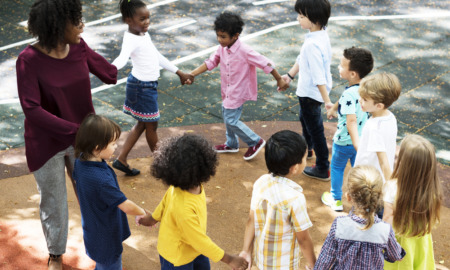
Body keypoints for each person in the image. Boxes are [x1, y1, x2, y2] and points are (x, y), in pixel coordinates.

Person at [16, 0, 118, 268]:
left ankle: (101, 246)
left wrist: (136, 52)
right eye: (76, 20)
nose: (81, 25)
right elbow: (32, 109)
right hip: (46, 143)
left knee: (93, 194)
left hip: (81, 142)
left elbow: (110, 74)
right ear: (58, 26)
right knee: (54, 201)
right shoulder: (28, 60)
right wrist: (78, 130)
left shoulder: (79, 47)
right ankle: (55, 254)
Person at [137, 134, 248, 270]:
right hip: (177, 258)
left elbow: (165, 203)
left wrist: (153, 218)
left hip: (194, 250)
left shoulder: (182, 186)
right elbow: (200, 241)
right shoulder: (184, 208)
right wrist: (229, 259)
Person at [189, 12, 289, 161]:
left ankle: (255, 141)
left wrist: (279, 79)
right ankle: (231, 143)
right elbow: (211, 62)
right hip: (227, 90)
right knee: (226, 114)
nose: (219, 40)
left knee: (231, 120)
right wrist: (192, 74)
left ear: (235, 36)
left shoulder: (245, 50)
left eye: (223, 37)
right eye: (218, 36)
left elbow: (266, 63)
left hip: (238, 91)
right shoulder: (221, 48)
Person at [111, 0, 193, 176]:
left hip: (145, 86)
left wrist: (179, 72)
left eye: (148, 18)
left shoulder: (142, 34)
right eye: (142, 19)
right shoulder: (131, 39)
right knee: (151, 126)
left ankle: (122, 159)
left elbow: (156, 55)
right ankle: (162, 164)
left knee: (142, 124)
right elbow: (122, 58)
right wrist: (108, 69)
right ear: (128, 20)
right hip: (142, 88)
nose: (146, 22)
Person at [72, 114, 146, 269]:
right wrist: (142, 212)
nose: (116, 147)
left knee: (102, 263)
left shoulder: (80, 161)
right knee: (111, 264)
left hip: (93, 227)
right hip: (106, 235)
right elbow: (125, 205)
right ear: (97, 148)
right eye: (113, 144)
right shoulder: (101, 181)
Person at [239, 130, 316, 270]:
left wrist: (246, 250)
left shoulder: (260, 183)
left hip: (262, 260)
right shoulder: (295, 198)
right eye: (305, 158)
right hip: (284, 265)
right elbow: (303, 239)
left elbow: (252, 219)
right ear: (294, 168)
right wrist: (315, 265)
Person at [314, 165, 405, 269]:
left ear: (348, 196)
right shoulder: (385, 230)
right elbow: (395, 255)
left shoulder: (339, 225)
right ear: (379, 197)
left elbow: (325, 259)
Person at [281, 0, 333, 181]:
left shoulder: (312, 45)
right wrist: (290, 74)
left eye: (302, 16)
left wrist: (326, 101)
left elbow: (319, 76)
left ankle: (322, 167)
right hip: (312, 92)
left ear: (315, 19)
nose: (298, 19)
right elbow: (302, 58)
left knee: (315, 128)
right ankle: (307, 148)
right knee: (306, 119)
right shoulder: (320, 34)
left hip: (310, 93)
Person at [321, 47, 374, 211]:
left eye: (342, 65)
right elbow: (345, 97)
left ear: (352, 74)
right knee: (358, 171)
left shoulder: (348, 95)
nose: (338, 67)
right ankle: (361, 200)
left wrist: (354, 142)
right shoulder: (366, 87)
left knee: (337, 168)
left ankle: (336, 199)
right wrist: (333, 108)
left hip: (345, 141)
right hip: (361, 140)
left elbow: (350, 121)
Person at [383, 135, 442, 270]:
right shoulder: (431, 190)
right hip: (420, 240)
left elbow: (387, 219)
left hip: (399, 241)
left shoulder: (392, 187)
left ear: (404, 164)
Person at [354, 73, 402, 182]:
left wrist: (389, 188)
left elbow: (383, 161)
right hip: (375, 177)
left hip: (368, 180)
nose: (360, 100)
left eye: (365, 99)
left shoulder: (375, 127)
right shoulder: (390, 117)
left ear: (379, 106)